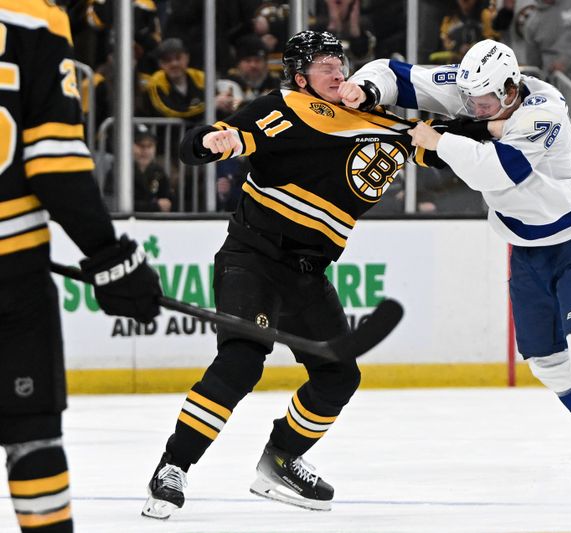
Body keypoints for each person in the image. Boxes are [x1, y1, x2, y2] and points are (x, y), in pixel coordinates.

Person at [342, 39, 571, 519]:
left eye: (486, 102)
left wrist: (440, 140)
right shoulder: (474, 90)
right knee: (547, 361)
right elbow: (399, 74)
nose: (476, 108)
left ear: (512, 87)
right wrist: (366, 89)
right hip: (527, 250)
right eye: (471, 101)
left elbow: (500, 171)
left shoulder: (546, 108)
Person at [141, 30, 445, 519]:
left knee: (339, 374)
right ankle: (173, 465)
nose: (338, 71)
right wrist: (210, 141)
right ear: (300, 76)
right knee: (242, 360)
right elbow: (204, 144)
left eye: (340, 62)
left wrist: (491, 122)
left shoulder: (379, 123)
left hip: (308, 275)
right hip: (253, 259)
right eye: (324, 64)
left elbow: (446, 146)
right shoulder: (279, 108)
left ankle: (280, 459)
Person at [0, 2, 163, 532]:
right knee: (32, 439)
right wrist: (111, 258)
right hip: (10, 276)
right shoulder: (33, 17)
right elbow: (56, 164)